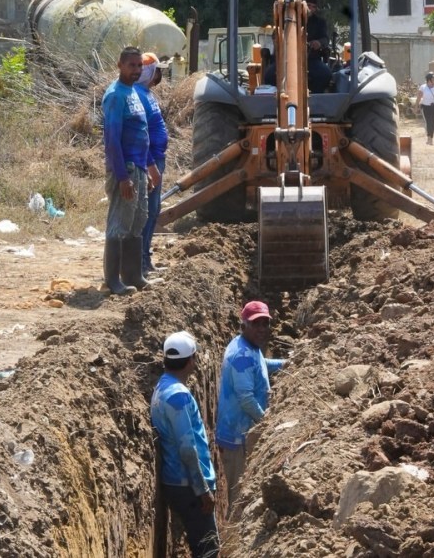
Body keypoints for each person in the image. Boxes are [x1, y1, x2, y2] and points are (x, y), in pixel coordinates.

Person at [150, 331, 219, 558]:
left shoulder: (162, 386)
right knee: (208, 549)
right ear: (190, 361)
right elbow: (187, 449)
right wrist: (203, 490)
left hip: (176, 481)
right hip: (188, 485)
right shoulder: (178, 396)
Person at [216, 301, 287, 513]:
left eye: (265, 323)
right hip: (237, 438)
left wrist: (286, 363)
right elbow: (246, 399)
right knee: (240, 496)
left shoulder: (248, 347)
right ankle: (234, 529)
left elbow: (260, 364)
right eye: (256, 324)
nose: (262, 329)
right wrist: (267, 423)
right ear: (243, 325)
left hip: (243, 432)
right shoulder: (241, 356)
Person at [101, 46, 158, 295]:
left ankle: (134, 275)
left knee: (138, 222)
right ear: (120, 66)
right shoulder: (116, 96)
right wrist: (123, 177)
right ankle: (113, 281)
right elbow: (112, 140)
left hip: (139, 168)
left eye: (139, 66)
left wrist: (147, 169)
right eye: (131, 65)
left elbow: (142, 134)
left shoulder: (134, 92)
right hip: (125, 169)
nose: (136, 70)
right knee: (119, 224)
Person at [137, 52, 169, 277]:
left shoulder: (147, 94)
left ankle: (145, 257)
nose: (159, 76)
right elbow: (140, 134)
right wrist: (150, 164)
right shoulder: (138, 95)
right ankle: (140, 260)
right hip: (149, 161)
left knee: (154, 209)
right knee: (148, 211)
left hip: (157, 158)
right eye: (157, 71)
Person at [302, 0, 332, 93]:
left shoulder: (320, 22)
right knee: (269, 75)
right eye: (308, 5)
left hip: (311, 60)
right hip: (288, 61)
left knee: (325, 74)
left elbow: (325, 39)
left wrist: (319, 42)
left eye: (314, 7)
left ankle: (314, 96)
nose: (311, 9)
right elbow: (276, 34)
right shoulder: (289, 20)